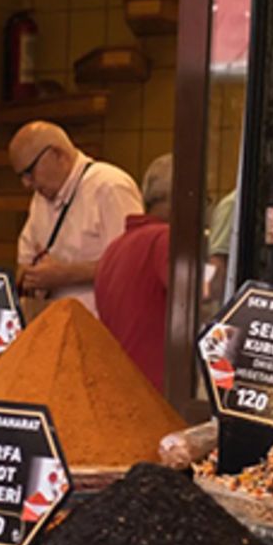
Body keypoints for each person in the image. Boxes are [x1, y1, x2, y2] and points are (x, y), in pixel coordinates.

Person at [10, 121, 144, 311]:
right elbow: (25, 258)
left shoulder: (110, 187)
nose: (26, 184)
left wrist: (65, 274)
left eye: (29, 172)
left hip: (101, 327)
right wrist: (30, 276)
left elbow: (132, 265)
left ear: (57, 154)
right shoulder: (40, 197)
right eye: (21, 176)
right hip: (54, 323)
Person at [94, 155, 172, 392]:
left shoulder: (114, 248)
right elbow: (202, 295)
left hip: (120, 386)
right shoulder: (165, 240)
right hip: (158, 394)